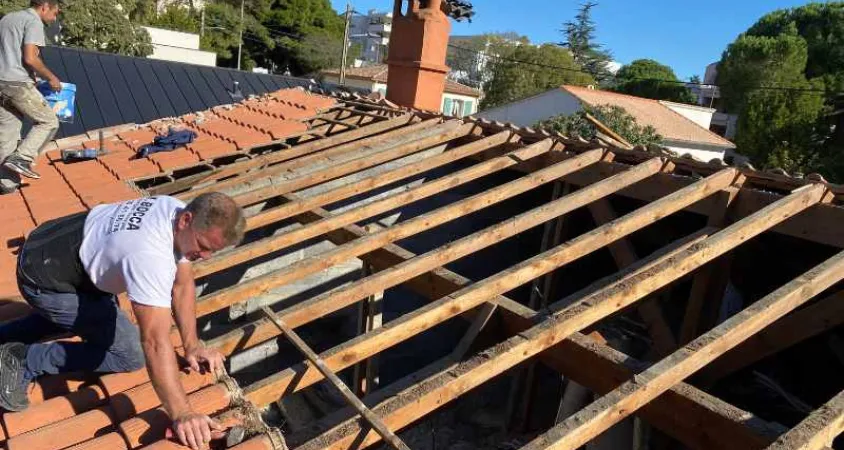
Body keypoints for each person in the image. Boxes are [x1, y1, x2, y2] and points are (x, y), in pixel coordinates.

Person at [0, 192, 245, 450]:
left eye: (212, 251)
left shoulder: (173, 209)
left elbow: (182, 286)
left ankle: (9, 332)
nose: (205, 256)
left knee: (91, 318)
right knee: (128, 354)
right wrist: (182, 413)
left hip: (52, 248)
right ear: (186, 220)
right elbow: (154, 343)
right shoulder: (150, 255)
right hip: (44, 279)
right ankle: (22, 359)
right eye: (204, 246)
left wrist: (192, 345)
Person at [0, 0, 62, 194]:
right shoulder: (33, 21)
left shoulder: (8, 19)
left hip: (1, 83)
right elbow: (30, 57)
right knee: (48, 121)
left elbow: (9, 52)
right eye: (54, 13)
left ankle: (7, 184)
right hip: (17, 83)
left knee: (8, 133)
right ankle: (23, 158)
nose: (54, 18)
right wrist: (52, 78)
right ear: (44, 7)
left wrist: (33, 75)